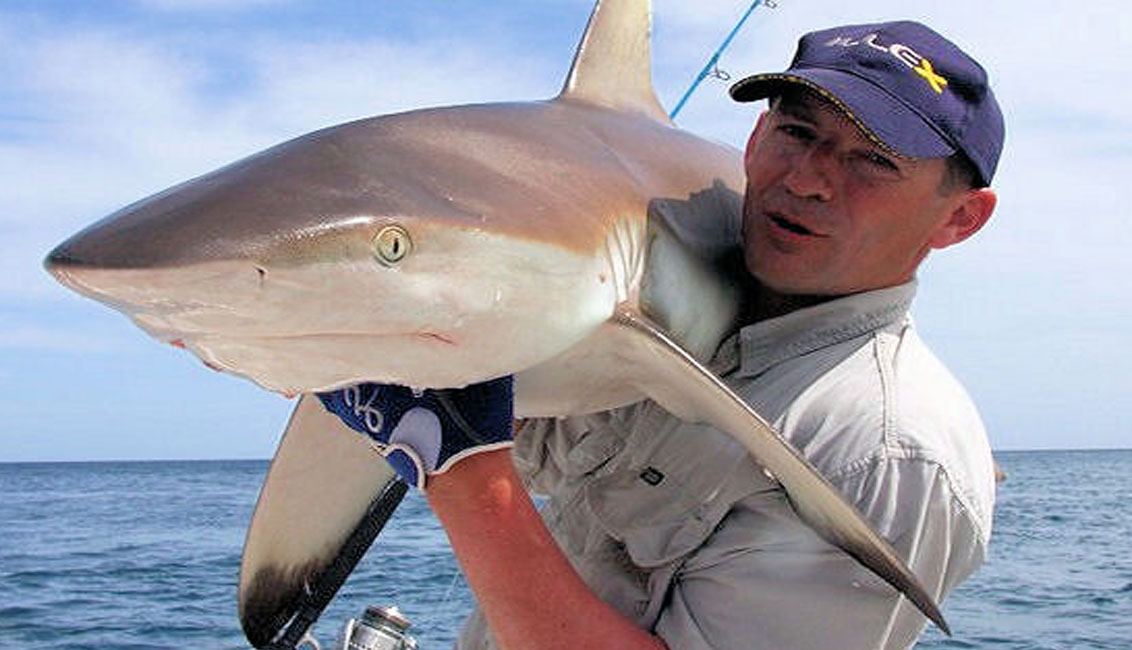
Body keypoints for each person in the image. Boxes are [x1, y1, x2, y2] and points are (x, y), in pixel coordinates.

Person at [319, 19, 1002, 650]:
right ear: (757, 139)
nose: (809, 179)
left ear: (961, 219)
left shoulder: (883, 450)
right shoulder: (679, 319)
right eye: (797, 131)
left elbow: (477, 469)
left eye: (874, 161)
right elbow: (546, 453)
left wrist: (460, 470)